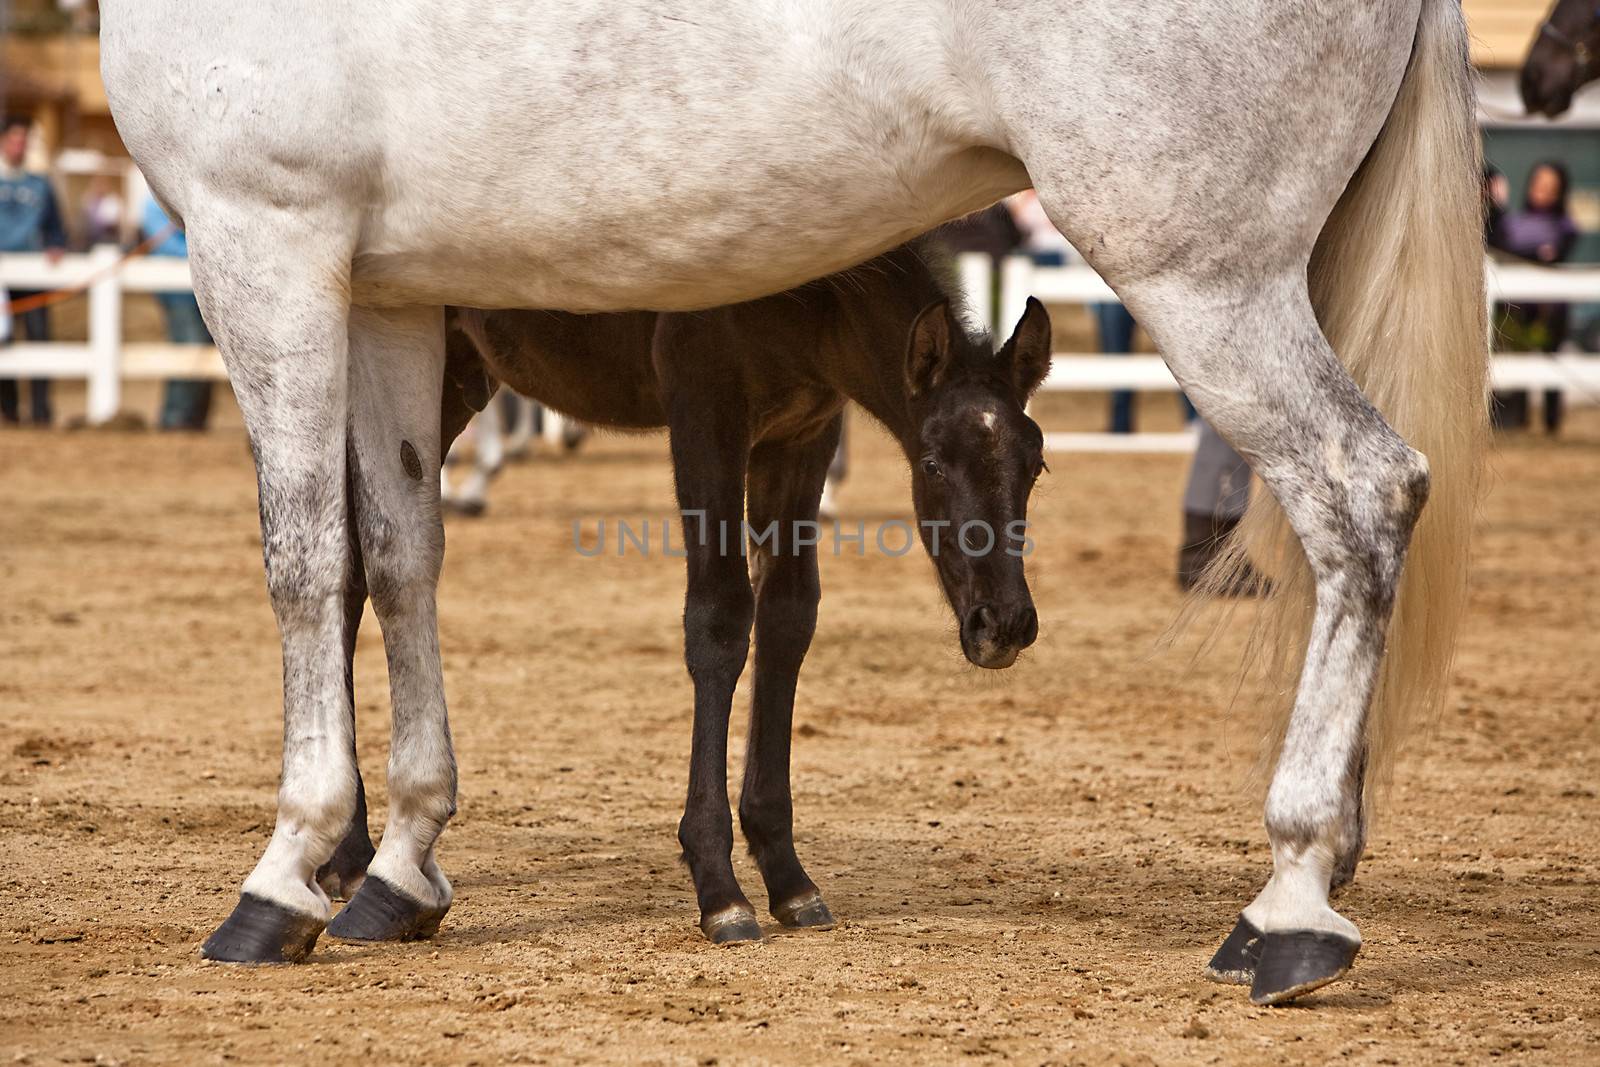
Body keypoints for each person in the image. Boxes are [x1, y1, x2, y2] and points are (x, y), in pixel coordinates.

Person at [1492, 160, 1579, 434]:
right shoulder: (1514, 222)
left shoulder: (1565, 226)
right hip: (1517, 306)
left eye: (1549, 186)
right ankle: (1518, 417)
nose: (1542, 191)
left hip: (1550, 308)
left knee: (1551, 358)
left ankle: (1552, 421)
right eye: (1539, 184)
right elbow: (1500, 246)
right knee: (1517, 357)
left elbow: (1555, 255)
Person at [0, 115, 67, 426]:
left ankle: (41, 410)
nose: (19, 145)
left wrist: (55, 245)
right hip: (3, 278)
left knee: (40, 337)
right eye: (14, 138)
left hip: (32, 273)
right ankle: (8, 410)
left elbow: (57, 228)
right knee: (4, 341)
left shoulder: (40, 186)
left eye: (23, 139)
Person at [142, 196, 215, 429]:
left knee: (205, 349)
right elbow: (164, 245)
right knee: (189, 345)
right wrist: (206, 255)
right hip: (178, 292)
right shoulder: (156, 201)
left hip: (205, 289)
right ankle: (175, 417)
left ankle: (194, 416)